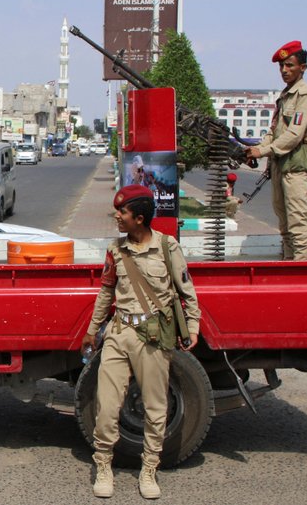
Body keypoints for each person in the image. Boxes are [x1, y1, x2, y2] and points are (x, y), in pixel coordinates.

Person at [81, 185, 200, 500]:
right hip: (119, 333)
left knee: (155, 406)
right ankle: (103, 465)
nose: (116, 216)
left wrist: (193, 326)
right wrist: (93, 329)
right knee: (107, 405)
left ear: (140, 218)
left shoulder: (167, 247)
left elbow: (186, 290)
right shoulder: (115, 250)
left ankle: (149, 469)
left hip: (153, 335)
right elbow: (106, 291)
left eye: (122, 212)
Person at [246, 40, 307, 261]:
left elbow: (294, 134)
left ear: (303, 68)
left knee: (297, 221)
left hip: (295, 167)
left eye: (289, 65)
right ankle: (290, 262)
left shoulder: (305, 95)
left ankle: (301, 268)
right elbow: (274, 131)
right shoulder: (286, 95)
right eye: (281, 66)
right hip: (280, 164)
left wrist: (263, 152)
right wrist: (256, 149)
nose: (284, 70)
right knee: (284, 221)